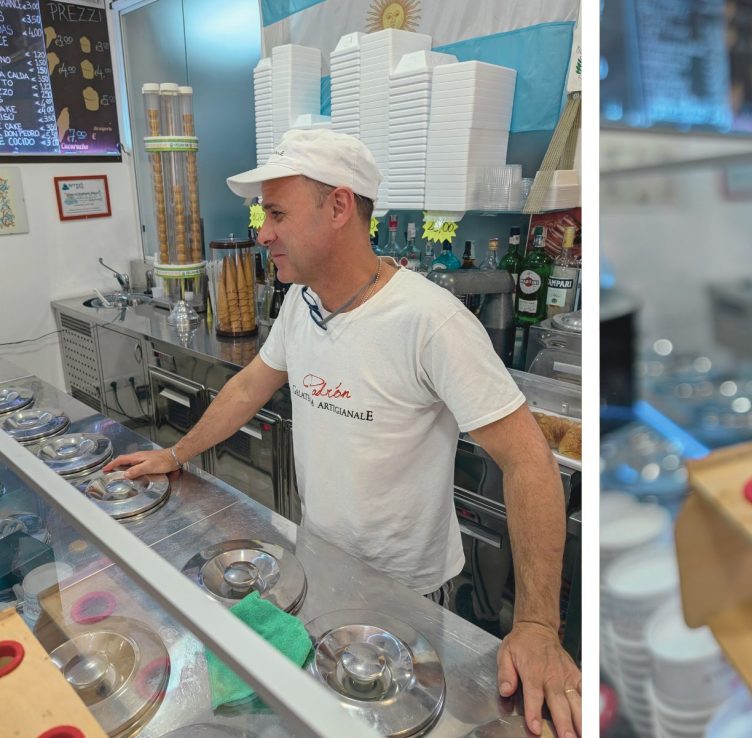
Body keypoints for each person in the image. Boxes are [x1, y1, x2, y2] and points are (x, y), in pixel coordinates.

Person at [104, 129, 581, 738]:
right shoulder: (302, 302)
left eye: (276, 213)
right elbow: (251, 385)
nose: (263, 231)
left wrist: (539, 625)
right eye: (262, 214)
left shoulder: (430, 321)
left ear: (339, 207)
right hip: (320, 567)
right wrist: (175, 454)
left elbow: (529, 460)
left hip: (407, 596)